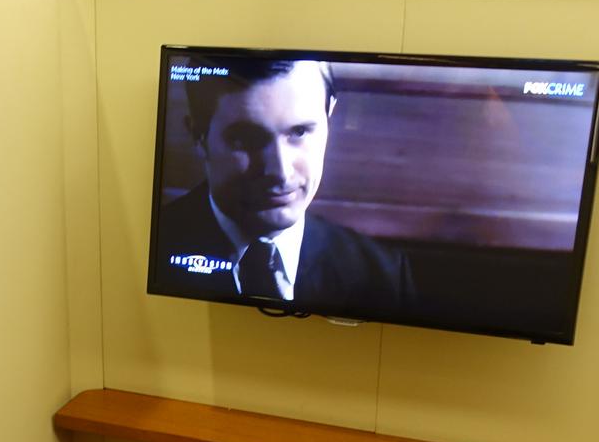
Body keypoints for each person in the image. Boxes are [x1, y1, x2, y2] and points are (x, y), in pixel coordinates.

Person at [154, 59, 416, 307]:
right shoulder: (152, 249)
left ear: (330, 115)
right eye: (244, 139)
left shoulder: (382, 275)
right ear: (198, 136)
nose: (280, 172)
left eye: (299, 132)